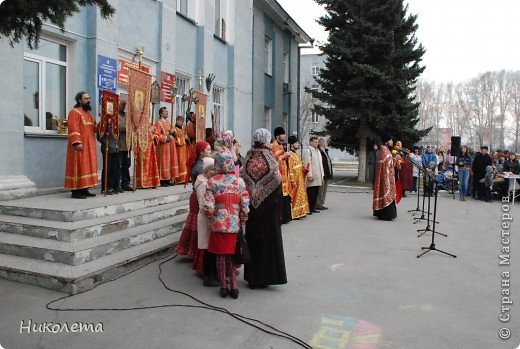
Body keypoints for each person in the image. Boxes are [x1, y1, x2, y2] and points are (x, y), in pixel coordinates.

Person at [242, 128, 287, 289]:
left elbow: (244, 178)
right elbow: (277, 180)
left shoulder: (248, 156)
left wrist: (253, 195)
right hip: (268, 208)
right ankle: (265, 277)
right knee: (268, 242)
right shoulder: (269, 158)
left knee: (253, 240)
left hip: (252, 209)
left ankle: (252, 278)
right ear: (266, 140)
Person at [204, 150, 250, 298]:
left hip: (218, 224)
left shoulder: (212, 181)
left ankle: (223, 286)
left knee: (220, 256)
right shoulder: (239, 181)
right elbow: (245, 204)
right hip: (233, 224)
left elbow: (209, 206)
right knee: (231, 256)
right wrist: (242, 218)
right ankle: (234, 287)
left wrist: (210, 218)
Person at [175, 141, 212, 271]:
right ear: (201, 152)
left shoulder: (202, 164)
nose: (210, 151)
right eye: (208, 149)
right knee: (198, 226)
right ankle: (194, 252)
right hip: (198, 198)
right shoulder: (200, 167)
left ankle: (193, 252)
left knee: (197, 226)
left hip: (196, 196)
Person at [64, 91, 98, 199]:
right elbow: (73, 127)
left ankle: (84, 189)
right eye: (86, 98)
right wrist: (77, 142)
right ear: (79, 100)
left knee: (86, 167)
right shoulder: (74, 112)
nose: (88, 100)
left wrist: (105, 123)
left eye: (89, 98)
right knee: (78, 166)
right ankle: (76, 191)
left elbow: (95, 128)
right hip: (79, 145)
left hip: (89, 145)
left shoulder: (88, 114)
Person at [195, 157, 219, 287]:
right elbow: (204, 205)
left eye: (215, 169)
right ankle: (209, 276)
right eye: (211, 169)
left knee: (210, 249)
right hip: (206, 219)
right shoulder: (204, 185)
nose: (214, 172)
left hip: (208, 218)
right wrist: (213, 216)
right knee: (209, 249)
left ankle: (211, 274)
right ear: (206, 170)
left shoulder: (207, 182)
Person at [373, 133, 397, 220]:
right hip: (386, 177)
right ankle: (386, 214)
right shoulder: (385, 150)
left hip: (385, 176)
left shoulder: (384, 150)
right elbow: (389, 164)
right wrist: (396, 158)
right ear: (387, 142)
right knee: (386, 192)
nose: (392, 142)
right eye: (391, 140)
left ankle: (383, 213)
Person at [271, 127, 292, 224]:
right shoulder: (274, 146)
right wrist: (284, 156)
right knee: (279, 197)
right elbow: (274, 161)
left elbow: (283, 159)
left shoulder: (281, 146)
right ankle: (279, 218)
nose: (284, 136)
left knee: (284, 196)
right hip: (278, 175)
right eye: (282, 134)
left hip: (284, 174)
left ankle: (284, 217)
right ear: (277, 136)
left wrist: (286, 157)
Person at [97, 112, 121, 195]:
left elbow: (118, 136)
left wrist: (118, 146)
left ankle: (114, 186)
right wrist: (105, 143)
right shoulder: (102, 123)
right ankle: (105, 188)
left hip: (116, 149)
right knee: (107, 169)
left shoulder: (115, 124)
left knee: (115, 169)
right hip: (107, 149)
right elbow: (99, 136)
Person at [154, 107, 179, 187]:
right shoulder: (158, 122)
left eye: (167, 112)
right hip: (163, 146)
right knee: (163, 162)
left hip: (170, 146)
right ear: (161, 113)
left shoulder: (168, 122)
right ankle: (162, 180)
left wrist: (173, 132)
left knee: (169, 162)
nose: (167, 113)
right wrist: (166, 138)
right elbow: (156, 135)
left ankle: (168, 179)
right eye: (165, 112)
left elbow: (174, 134)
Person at [287, 136, 310, 219]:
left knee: (300, 195)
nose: (298, 144)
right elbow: (290, 168)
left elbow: (298, 165)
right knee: (295, 195)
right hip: (294, 179)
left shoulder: (295, 153)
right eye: (296, 143)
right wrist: (292, 180)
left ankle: (300, 212)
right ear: (292, 144)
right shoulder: (290, 154)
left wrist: (304, 169)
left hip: (299, 177)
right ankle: (294, 213)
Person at [134, 123, 160, 189]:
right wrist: (149, 131)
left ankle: (151, 182)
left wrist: (154, 136)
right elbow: (139, 134)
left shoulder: (150, 124)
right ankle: (144, 183)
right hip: (142, 149)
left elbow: (157, 134)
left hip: (151, 149)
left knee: (151, 166)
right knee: (145, 166)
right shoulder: (139, 124)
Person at [302, 136, 324, 213]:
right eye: (315, 142)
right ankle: (308, 208)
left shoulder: (317, 151)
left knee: (315, 192)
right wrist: (309, 175)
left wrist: (322, 174)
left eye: (317, 142)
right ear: (310, 142)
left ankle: (312, 207)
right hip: (312, 175)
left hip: (318, 175)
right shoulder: (308, 151)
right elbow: (307, 163)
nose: (316, 143)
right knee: (310, 193)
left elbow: (320, 164)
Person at [118, 100, 132, 191]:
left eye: (125, 105)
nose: (124, 106)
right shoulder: (115, 115)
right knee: (119, 165)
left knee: (126, 165)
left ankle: (125, 183)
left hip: (127, 145)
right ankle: (117, 184)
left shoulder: (127, 115)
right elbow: (118, 127)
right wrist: (129, 127)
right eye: (122, 104)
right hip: (119, 144)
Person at [316, 138, 333, 210]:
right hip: (323, 173)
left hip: (326, 173)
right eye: (326, 142)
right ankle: (318, 204)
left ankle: (322, 203)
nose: (327, 144)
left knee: (324, 189)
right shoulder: (319, 151)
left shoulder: (325, 151)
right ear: (322, 144)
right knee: (321, 190)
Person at [173, 115, 189, 184]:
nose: (182, 123)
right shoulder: (174, 129)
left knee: (184, 163)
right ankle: (179, 179)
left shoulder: (183, 129)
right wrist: (184, 139)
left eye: (183, 122)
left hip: (184, 149)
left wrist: (187, 139)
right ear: (177, 121)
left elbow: (186, 138)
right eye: (181, 121)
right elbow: (175, 140)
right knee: (179, 163)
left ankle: (184, 178)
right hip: (178, 150)